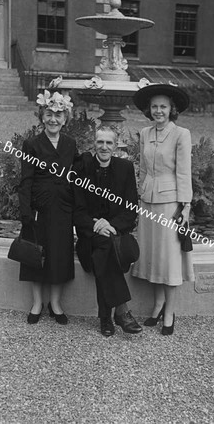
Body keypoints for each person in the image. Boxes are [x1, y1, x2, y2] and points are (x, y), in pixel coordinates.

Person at [131, 83, 194, 335]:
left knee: (168, 260)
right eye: (155, 106)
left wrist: (185, 207)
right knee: (152, 256)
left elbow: (184, 172)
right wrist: (139, 197)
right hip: (147, 202)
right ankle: (157, 305)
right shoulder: (145, 133)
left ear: (172, 109)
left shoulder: (181, 134)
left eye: (163, 107)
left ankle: (170, 311)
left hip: (170, 204)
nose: (158, 111)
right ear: (150, 109)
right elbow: (144, 169)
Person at [72, 126, 142, 337]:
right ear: (94, 143)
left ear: (116, 144)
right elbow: (76, 212)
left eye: (109, 142)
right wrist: (96, 226)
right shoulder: (81, 169)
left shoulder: (125, 168)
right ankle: (121, 311)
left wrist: (111, 226)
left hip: (114, 235)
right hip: (88, 238)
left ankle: (106, 319)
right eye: (100, 142)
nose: (104, 147)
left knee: (106, 246)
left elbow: (131, 210)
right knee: (103, 246)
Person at [18, 89, 78, 325]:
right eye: (49, 114)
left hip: (63, 207)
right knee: (37, 255)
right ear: (42, 116)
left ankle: (55, 303)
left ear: (65, 119)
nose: (54, 119)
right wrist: (25, 212)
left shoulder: (70, 144)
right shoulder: (32, 144)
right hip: (39, 208)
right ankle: (36, 303)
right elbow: (26, 180)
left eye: (59, 115)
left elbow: (77, 175)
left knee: (59, 255)